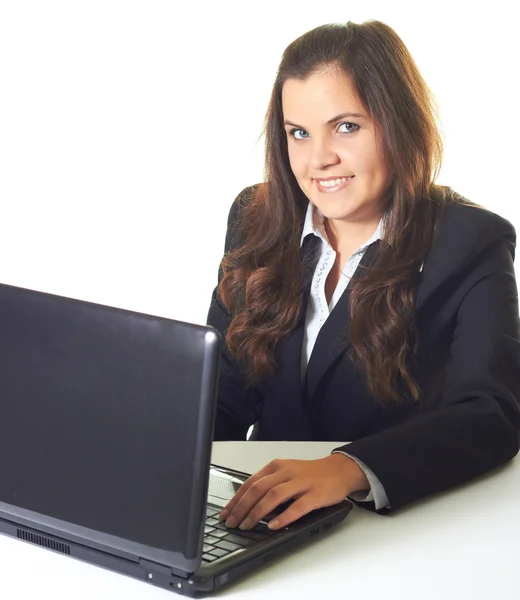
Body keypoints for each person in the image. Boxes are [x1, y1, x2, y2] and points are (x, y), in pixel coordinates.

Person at [206, 20, 520, 532]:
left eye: (346, 126)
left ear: (399, 124)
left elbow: (493, 414)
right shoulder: (255, 217)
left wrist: (347, 467)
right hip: (263, 517)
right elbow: (224, 391)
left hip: (391, 525)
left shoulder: (471, 241)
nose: (319, 158)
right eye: (299, 133)